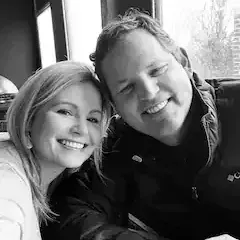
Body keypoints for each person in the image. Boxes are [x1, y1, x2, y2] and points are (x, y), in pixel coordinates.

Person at [41, 9, 240, 240]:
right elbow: (69, 215)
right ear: (114, 104)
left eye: (157, 70)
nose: (148, 92)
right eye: (126, 88)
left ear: (184, 62)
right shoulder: (117, 147)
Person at [0, 61, 111, 240]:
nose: (82, 130)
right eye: (65, 112)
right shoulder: (7, 190)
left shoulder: (54, 179)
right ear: (29, 118)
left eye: (93, 119)